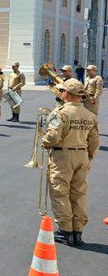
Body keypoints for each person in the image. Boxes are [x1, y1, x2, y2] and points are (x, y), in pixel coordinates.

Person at [42, 79, 99, 246]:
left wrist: (45, 142)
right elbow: (94, 141)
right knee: (79, 193)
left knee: (60, 192)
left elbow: (53, 137)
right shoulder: (90, 115)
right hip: (82, 155)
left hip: (63, 156)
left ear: (66, 93)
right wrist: (88, 157)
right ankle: (77, 231)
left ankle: (65, 231)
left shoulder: (60, 113)